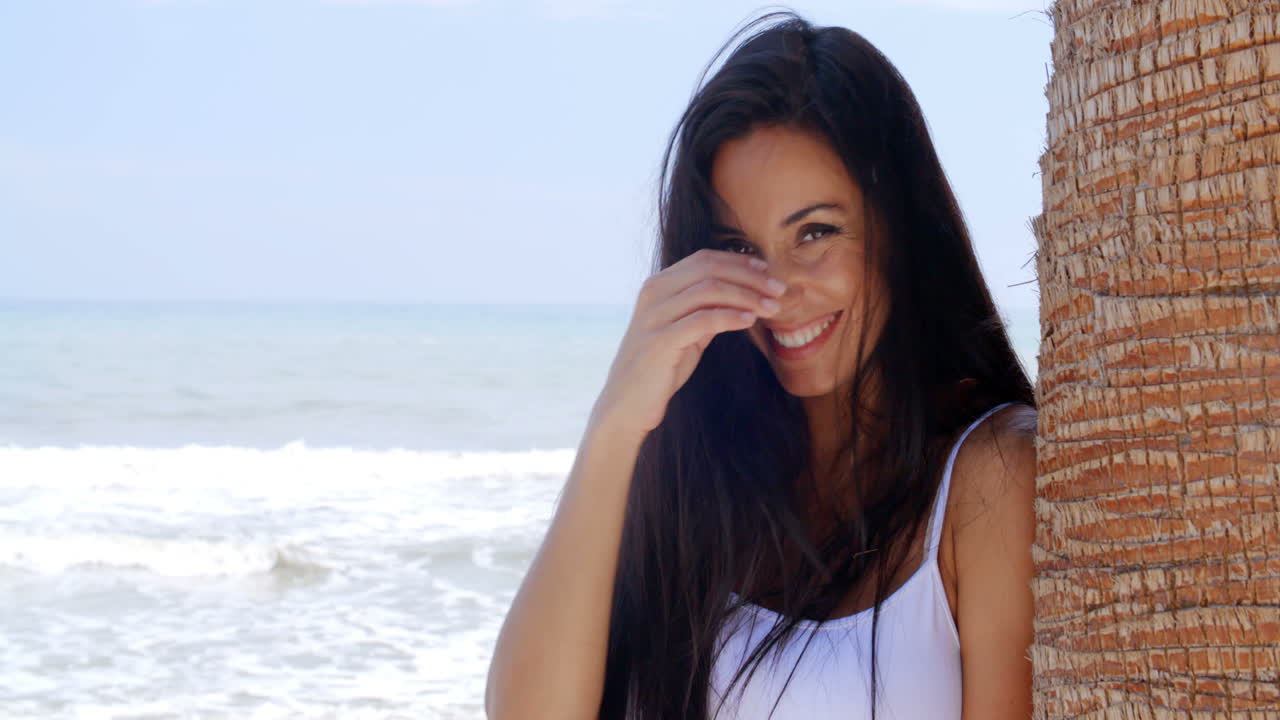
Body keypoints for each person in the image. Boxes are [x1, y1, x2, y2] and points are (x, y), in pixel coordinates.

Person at [486, 10, 1037, 720]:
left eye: (814, 233)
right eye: (738, 248)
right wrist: (614, 428)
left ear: (898, 228)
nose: (774, 292)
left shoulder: (990, 474)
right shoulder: (697, 471)